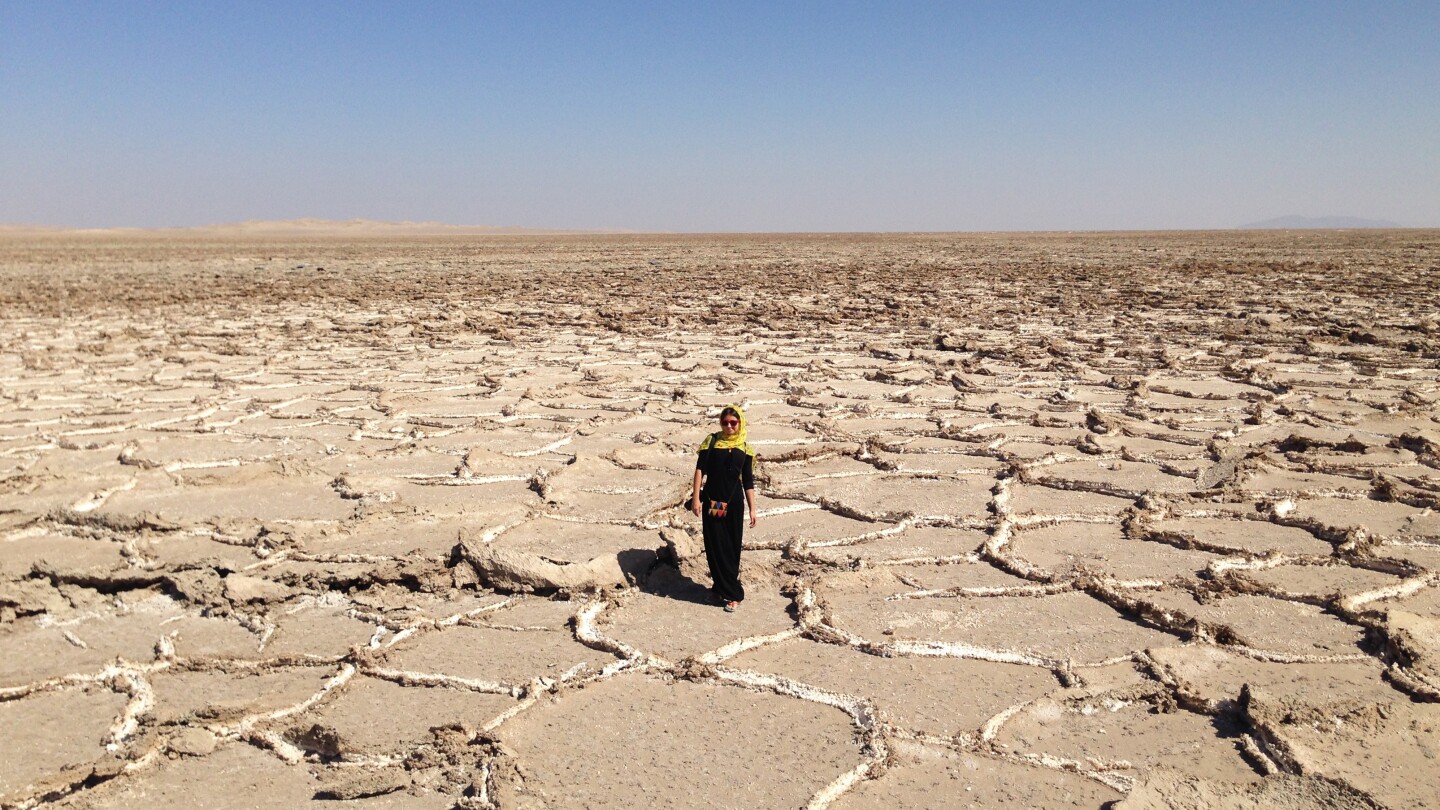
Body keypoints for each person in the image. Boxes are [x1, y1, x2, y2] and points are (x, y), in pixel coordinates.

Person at [691, 405, 757, 612]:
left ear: (740, 424)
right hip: (712, 500)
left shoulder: (745, 448)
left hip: (734, 503)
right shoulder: (711, 442)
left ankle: (733, 593)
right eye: (725, 422)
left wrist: (753, 509)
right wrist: (695, 498)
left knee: (731, 547)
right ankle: (719, 588)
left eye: (733, 423)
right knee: (713, 546)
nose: (729, 426)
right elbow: (700, 470)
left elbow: (748, 481)